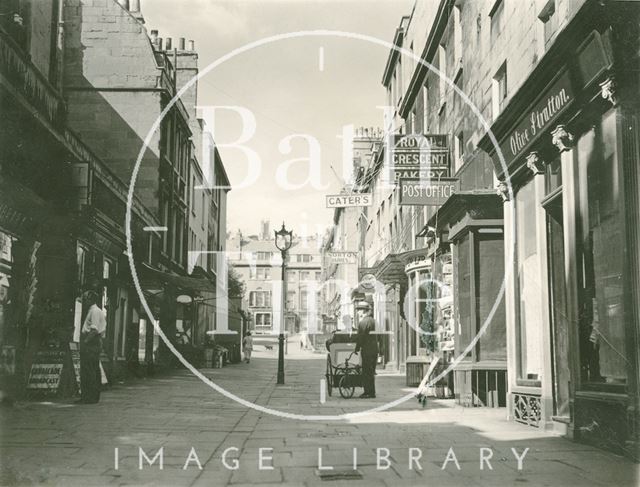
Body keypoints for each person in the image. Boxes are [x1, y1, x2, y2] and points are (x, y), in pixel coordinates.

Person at [78, 290, 106, 404]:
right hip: (95, 342)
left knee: (88, 369)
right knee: (93, 369)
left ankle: (89, 397)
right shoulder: (97, 310)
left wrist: (85, 341)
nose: (83, 300)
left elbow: (94, 329)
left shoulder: (94, 311)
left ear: (90, 299)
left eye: (85, 298)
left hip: (91, 342)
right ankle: (92, 396)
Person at [354, 304, 378, 398]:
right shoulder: (373, 321)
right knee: (371, 372)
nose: (358, 312)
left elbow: (361, 337)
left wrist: (356, 348)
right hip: (374, 350)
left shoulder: (363, 322)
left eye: (359, 310)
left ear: (363, 311)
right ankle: (372, 392)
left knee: (366, 371)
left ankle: (368, 392)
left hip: (367, 350)